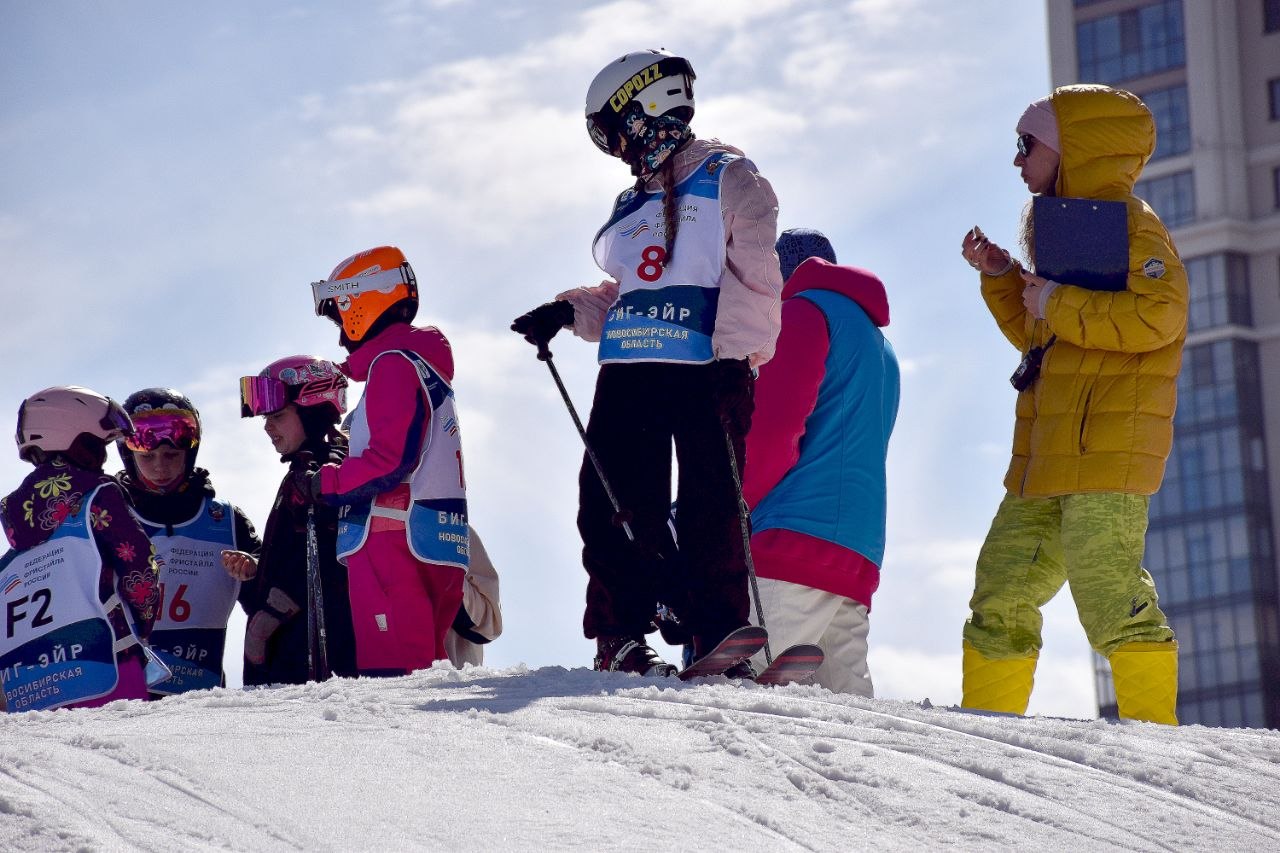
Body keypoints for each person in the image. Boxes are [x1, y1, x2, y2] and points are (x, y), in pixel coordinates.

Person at [512, 49, 784, 677]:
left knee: (709, 502)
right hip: (630, 368)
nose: (619, 154)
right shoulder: (631, 204)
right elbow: (629, 293)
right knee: (612, 500)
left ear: (644, 114)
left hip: (704, 364)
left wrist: (733, 357)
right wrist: (566, 311)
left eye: (615, 136)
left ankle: (719, 631)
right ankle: (622, 634)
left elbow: (755, 278)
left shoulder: (728, 177)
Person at [959, 84, 1187, 724]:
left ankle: (1158, 738)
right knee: (1000, 592)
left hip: (1104, 456)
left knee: (1110, 596)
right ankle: (985, 733)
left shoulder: (1134, 228)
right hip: (1044, 458)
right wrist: (1007, 278)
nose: (1017, 160)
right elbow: (1049, 338)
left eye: (1027, 145)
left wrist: (1054, 300)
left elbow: (1159, 315)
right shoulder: (1069, 233)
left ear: (1073, 149)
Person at [742, 228, 899, 695]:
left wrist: (729, 510)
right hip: (858, 552)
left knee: (737, 702)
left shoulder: (802, 313)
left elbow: (774, 433)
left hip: (791, 543)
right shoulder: (880, 346)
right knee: (843, 725)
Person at [300, 245, 468, 676]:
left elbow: (390, 460)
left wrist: (328, 482)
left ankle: (414, 747)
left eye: (340, 318)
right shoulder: (422, 366)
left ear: (362, 303)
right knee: (423, 664)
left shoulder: (393, 365)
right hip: (433, 535)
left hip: (392, 538)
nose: (340, 336)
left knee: (395, 676)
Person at [1, 387, 161, 711]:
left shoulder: (14, 515)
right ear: (77, 440)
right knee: (125, 758)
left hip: (33, 678)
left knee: (63, 760)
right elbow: (139, 565)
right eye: (98, 445)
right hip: (107, 659)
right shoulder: (100, 494)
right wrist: (143, 623)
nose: (104, 457)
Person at [115, 388, 260, 697]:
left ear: (189, 454)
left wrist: (255, 569)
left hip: (197, 700)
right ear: (129, 456)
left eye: (172, 455)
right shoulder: (108, 518)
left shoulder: (226, 519)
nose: (160, 467)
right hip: (123, 702)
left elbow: (273, 594)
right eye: (147, 456)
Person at [236, 355, 357, 684]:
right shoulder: (303, 470)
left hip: (313, 651)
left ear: (312, 411)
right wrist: (256, 571)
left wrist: (276, 608)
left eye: (276, 415)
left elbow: (330, 561)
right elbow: (294, 553)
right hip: (289, 643)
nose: (266, 426)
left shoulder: (325, 473)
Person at [444, 527, 503, 668]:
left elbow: (490, 625)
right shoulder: (381, 534)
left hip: (447, 680)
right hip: (386, 684)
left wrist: (448, 577)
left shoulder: (451, 527)